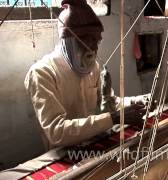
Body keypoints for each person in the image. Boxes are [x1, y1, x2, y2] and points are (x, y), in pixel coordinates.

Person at [24, 0, 149, 150]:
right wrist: (114, 118)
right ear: (68, 41)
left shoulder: (92, 67)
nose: (95, 48)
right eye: (88, 41)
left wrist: (139, 102)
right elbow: (56, 131)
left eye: (97, 41)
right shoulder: (42, 73)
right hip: (65, 154)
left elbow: (109, 102)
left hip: (95, 142)